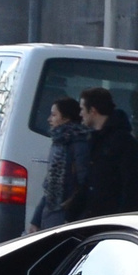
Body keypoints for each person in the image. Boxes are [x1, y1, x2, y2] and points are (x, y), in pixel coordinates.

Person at [78, 86, 138, 218]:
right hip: (94, 216)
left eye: (82, 109)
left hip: (111, 217)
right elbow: (89, 181)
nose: (80, 114)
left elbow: (130, 184)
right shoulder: (95, 138)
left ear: (93, 111)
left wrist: (121, 218)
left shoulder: (123, 141)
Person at [28, 97, 91, 233]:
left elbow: (83, 183)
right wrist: (36, 220)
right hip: (53, 213)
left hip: (66, 215)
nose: (49, 119)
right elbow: (50, 187)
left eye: (54, 114)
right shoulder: (59, 142)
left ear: (66, 118)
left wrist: (71, 215)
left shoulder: (78, 144)